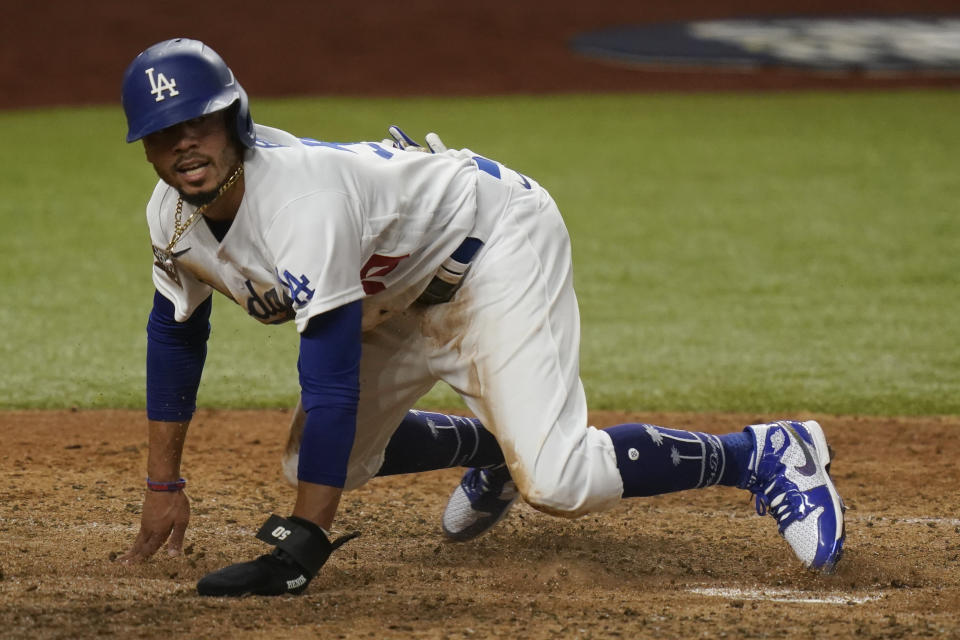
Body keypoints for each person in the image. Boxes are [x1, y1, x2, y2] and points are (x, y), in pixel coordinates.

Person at [118, 38, 846, 597]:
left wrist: (304, 540)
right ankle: (493, 447)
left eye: (199, 122)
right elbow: (175, 335)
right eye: (162, 132)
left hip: (493, 242)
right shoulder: (171, 219)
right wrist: (162, 486)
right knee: (313, 460)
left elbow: (331, 380)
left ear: (233, 119)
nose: (184, 143)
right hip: (396, 286)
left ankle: (762, 453)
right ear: (145, 148)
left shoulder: (298, 205)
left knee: (559, 482)